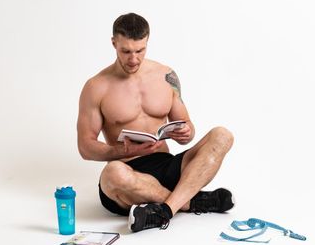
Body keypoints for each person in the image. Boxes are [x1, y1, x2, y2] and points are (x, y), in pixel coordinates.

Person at [76, 13, 234, 233]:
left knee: (222, 135)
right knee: (113, 174)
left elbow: (187, 129)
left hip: (167, 165)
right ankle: (191, 202)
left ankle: (165, 210)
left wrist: (186, 131)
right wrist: (121, 150)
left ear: (147, 41)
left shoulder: (165, 76)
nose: (133, 59)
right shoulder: (96, 87)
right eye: (126, 51)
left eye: (140, 51)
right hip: (128, 174)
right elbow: (85, 147)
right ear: (114, 43)